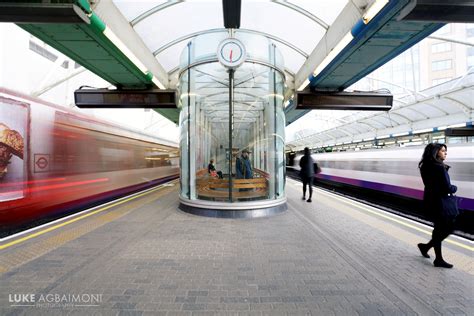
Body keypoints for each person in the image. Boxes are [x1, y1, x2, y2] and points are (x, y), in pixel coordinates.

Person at [417, 143, 458, 268]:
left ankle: (426, 248)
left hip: (431, 200)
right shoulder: (439, 167)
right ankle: (437, 258)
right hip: (441, 202)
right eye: (443, 151)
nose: (445, 153)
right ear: (436, 152)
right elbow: (447, 187)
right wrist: (454, 187)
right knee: (447, 228)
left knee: (440, 229)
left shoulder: (425, 166)